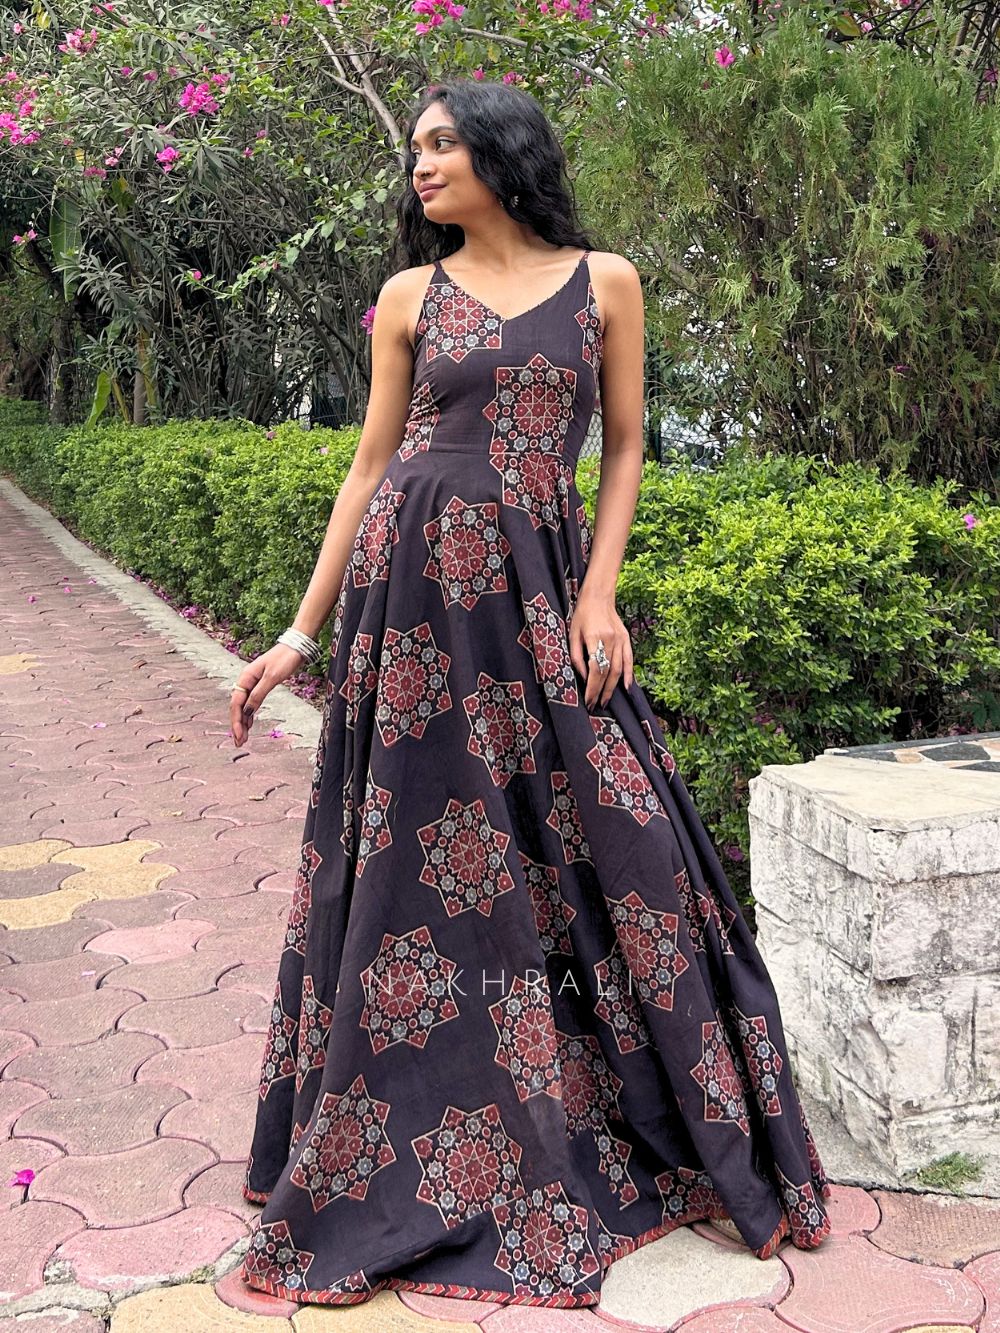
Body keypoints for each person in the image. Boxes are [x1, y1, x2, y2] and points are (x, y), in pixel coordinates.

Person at [231, 75, 832, 1310]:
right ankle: (408, 1136)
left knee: (622, 828)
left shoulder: (605, 282)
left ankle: (645, 1106)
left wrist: (598, 595)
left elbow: (624, 445)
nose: (421, 165)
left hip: (542, 587)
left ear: (502, 154)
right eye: (415, 149)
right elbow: (369, 468)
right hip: (412, 604)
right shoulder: (411, 296)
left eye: (443, 144)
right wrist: (299, 634)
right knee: (417, 862)